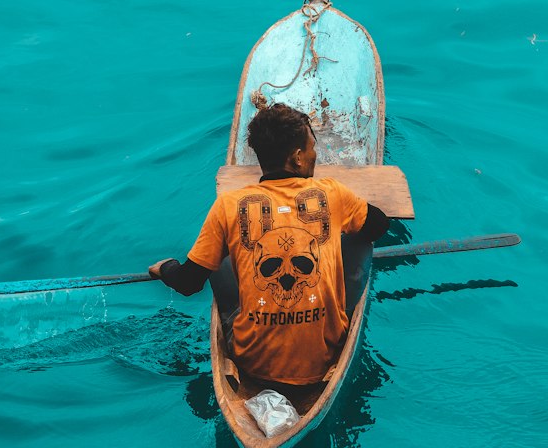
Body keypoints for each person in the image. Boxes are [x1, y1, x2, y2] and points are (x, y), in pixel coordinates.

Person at [149, 102, 390, 391]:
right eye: (312, 147)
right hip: (323, 357)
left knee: (219, 253)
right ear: (298, 157)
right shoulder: (331, 193)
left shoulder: (229, 205)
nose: (316, 154)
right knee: (356, 235)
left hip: (254, 364)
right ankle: (342, 320)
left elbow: (188, 283)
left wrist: (166, 268)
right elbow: (379, 226)